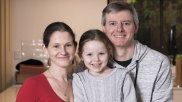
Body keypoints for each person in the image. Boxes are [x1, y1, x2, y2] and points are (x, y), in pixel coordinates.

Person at [101, 1, 173, 102]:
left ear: (136, 27)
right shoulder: (92, 63)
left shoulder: (159, 63)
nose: (119, 29)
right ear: (104, 28)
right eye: (112, 23)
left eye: (126, 23)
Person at [16, 22, 77, 102]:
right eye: (56, 46)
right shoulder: (32, 85)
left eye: (68, 45)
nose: (63, 52)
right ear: (45, 49)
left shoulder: (79, 83)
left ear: (75, 47)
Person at [72, 29, 137, 102]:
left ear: (108, 52)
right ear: (81, 56)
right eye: (89, 54)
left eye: (101, 53)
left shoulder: (122, 76)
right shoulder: (79, 80)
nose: (96, 59)